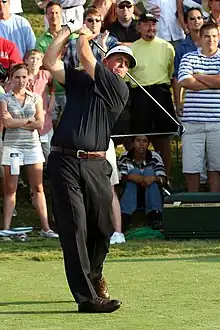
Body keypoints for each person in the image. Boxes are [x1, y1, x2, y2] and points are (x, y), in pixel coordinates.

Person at [43, 17, 136, 311]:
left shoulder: (118, 90)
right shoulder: (81, 81)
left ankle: (95, 273)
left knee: (103, 227)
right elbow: (49, 60)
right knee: (74, 229)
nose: (121, 66)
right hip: (64, 161)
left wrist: (84, 33)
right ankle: (87, 299)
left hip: (96, 165)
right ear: (106, 61)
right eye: (117, 60)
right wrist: (67, 31)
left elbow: (84, 54)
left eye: (126, 64)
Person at [0, 63, 58, 238]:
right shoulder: (5, 99)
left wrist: (19, 121)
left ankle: (46, 228)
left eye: (24, 77)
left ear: (29, 78)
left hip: (32, 147)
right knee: (10, 189)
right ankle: (6, 228)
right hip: (12, 147)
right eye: (17, 77)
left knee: (38, 187)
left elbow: (40, 123)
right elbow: (7, 124)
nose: (21, 80)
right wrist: (28, 121)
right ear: (11, 78)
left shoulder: (36, 98)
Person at [128, 13, 178, 177]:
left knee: (163, 140)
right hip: (140, 94)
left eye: (153, 24)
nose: (151, 27)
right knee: (140, 140)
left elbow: (171, 75)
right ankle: (139, 177)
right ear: (139, 27)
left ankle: (164, 178)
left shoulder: (167, 47)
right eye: (147, 24)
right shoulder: (132, 48)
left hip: (161, 94)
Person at [178, 22, 220, 192]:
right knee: (191, 168)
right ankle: (193, 205)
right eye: (207, 36)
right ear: (199, 39)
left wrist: (198, 76)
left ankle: (215, 206)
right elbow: (185, 81)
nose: (211, 40)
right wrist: (214, 82)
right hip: (192, 123)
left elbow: (193, 80)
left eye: (214, 36)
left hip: (217, 123)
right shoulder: (188, 57)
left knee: (216, 167)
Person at [118, 135, 166, 230]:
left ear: (148, 144)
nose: (141, 144)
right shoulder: (124, 156)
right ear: (133, 143)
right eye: (138, 141)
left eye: (144, 141)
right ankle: (125, 216)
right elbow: (119, 178)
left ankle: (155, 216)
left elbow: (163, 179)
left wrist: (153, 178)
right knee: (134, 172)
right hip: (131, 191)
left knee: (149, 172)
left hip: (151, 191)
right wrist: (130, 177)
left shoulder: (155, 156)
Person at [25, 49, 55, 163]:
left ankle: (49, 171)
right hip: (27, 118)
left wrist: (52, 101)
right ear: (26, 60)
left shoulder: (46, 75)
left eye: (38, 59)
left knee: (47, 148)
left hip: (44, 117)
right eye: (32, 58)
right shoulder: (22, 76)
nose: (34, 61)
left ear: (42, 62)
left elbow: (53, 89)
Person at [173, 7, 204, 115]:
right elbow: (177, 78)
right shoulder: (181, 48)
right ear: (186, 23)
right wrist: (178, 103)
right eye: (192, 18)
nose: (197, 21)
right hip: (191, 101)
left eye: (199, 18)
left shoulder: (215, 43)